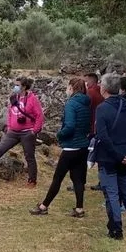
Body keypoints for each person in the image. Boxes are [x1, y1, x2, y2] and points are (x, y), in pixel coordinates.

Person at [30, 78, 91, 217]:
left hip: (71, 147)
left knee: (57, 178)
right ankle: (79, 209)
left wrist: (59, 135)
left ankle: (43, 206)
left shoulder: (71, 104)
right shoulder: (86, 103)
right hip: (83, 146)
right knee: (77, 178)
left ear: (72, 88)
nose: (66, 89)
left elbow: (69, 126)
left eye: (68, 87)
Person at [92, 73, 126, 239]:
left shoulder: (102, 109)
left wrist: (118, 155)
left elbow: (102, 136)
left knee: (111, 193)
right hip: (124, 156)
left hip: (108, 157)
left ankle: (115, 228)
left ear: (104, 88)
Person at [0, 77, 45, 188]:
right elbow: (10, 113)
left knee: (29, 156)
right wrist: (9, 127)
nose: (15, 87)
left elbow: (39, 116)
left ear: (24, 87)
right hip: (13, 132)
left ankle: (32, 180)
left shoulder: (33, 99)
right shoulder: (14, 98)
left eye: (17, 85)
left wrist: (34, 131)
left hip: (27, 133)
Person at [84, 73, 105, 191]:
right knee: (102, 156)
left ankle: (80, 182)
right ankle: (103, 181)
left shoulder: (89, 93)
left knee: (83, 156)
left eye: (86, 81)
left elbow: (86, 112)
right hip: (99, 129)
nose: (85, 84)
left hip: (90, 129)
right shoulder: (102, 93)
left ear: (91, 81)